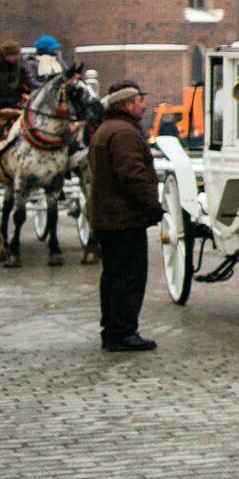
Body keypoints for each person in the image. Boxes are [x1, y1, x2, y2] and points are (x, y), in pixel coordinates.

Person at [88, 82, 160, 353]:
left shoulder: (107, 129)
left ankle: (112, 329)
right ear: (126, 104)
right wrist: (152, 204)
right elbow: (132, 175)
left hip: (109, 217)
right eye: (140, 100)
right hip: (123, 218)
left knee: (113, 274)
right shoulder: (124, 134)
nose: (143, 104)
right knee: (129, 276)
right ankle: (123, 332)